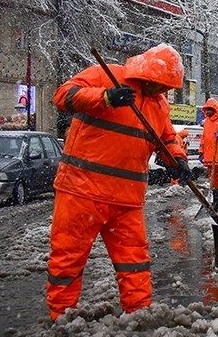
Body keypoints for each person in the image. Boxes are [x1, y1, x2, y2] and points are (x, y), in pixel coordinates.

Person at [47, 44, 190, 321]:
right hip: (81, 191)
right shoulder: (107, 75)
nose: (161, 92)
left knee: (135, 264)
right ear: (147, 74)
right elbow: (63, 95)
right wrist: (105, 97)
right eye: (159, 85)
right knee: (68, 260)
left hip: (127, 200)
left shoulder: (159, 106)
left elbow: (167, 138)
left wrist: (177, 159)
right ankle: (60, 319)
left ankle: (139, 315)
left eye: (166, 88)